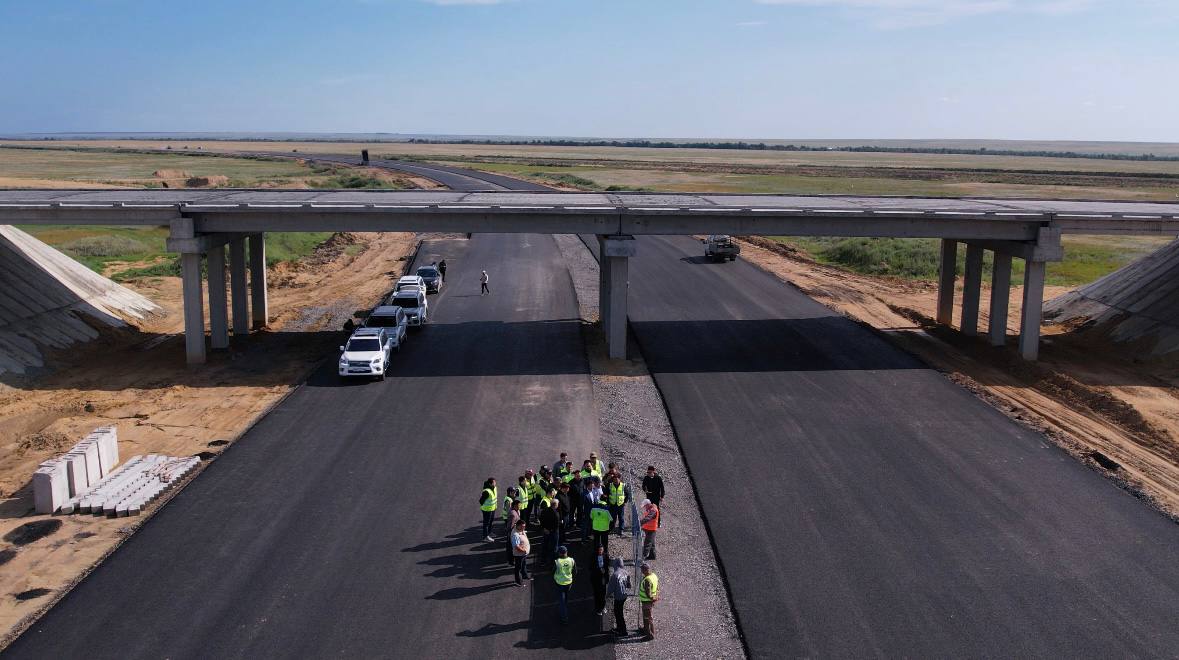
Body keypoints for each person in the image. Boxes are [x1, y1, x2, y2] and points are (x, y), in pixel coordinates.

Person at [606, 556, 631, 637]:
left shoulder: (615, 575)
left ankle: (623, 631)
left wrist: (607, 596)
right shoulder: (626, 572)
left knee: (618, 614)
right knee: (619, 612)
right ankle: (619, 628)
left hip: (618, 597)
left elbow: (610, 588)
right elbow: (629, 585)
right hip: (624, 595)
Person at [553, 546, 576, 624]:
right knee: (565, 597)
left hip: (560, 583)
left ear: (560, 553)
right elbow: (575, 571)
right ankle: (565, 607)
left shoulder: (557, 562)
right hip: (569, 583)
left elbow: (552, 571)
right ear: (566, 552)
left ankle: (564, 617)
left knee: (561, 601)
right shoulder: (571, 560)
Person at [638, 562, 660, 640]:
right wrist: (656, 596)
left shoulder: (647, 580)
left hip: (647, 602)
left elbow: (648, 593)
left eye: (642, 569)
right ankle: (645, 630)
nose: (641, 570)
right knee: (646, 617)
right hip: (648, 601)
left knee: (648, 618)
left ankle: (650, 635)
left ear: (646, 570)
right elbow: (657, 587)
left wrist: (653, 598)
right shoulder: (654, 576)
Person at [539, 499, 560, 567]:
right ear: (556, 505)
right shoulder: (556, 514)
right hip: (553, 532)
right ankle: (552, 563)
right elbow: (556, 525)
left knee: (544, 546)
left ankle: (543, 561)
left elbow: (541, 519)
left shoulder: (545, 510)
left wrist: (544, 528)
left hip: (545, 531)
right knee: (554, 548)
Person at [511, 520, 531, 586]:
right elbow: (516, 546)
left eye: (524, 526)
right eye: (523, 527)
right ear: (518, 526)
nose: (524, 528)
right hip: (519, 554)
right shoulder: (515, 535)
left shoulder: (520, 530)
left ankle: (524, 575)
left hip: (523, 554)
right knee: (518, 567)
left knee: (524, 564)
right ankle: (518, 581)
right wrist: (524, 551)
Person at [591, 544, 608, 616]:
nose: (600, 551)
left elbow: (607, 565)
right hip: (596, 579)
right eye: (599, 550)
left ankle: (603, 607)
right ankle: (598, 609)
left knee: (603, 594)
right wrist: (599, 569)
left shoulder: (605, 556)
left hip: (603, 578)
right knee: (597, 594)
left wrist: (605, 575)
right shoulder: (593, 557)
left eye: (602, 550)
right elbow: (590, 567)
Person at [479, 478, 498, 542]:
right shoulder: (486, 492)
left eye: (495, 482)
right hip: (487, 510)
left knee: (491, 521)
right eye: (494, 482)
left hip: (492, 509)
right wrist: (487, 507)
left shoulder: (494, 488)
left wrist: (494, 506)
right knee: (486, 523)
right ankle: (485, 537)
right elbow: (481, 501)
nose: (495, 483)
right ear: (490, 484)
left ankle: (489, 533)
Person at [506, 500, 521, 566]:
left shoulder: (515, 511)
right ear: (515, 506)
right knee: (511, 548)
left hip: (514, 532)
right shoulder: (513, 514)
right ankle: (511, 561)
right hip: (512, 533)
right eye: (519, 505)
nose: (520, 506)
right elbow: (510, 526)